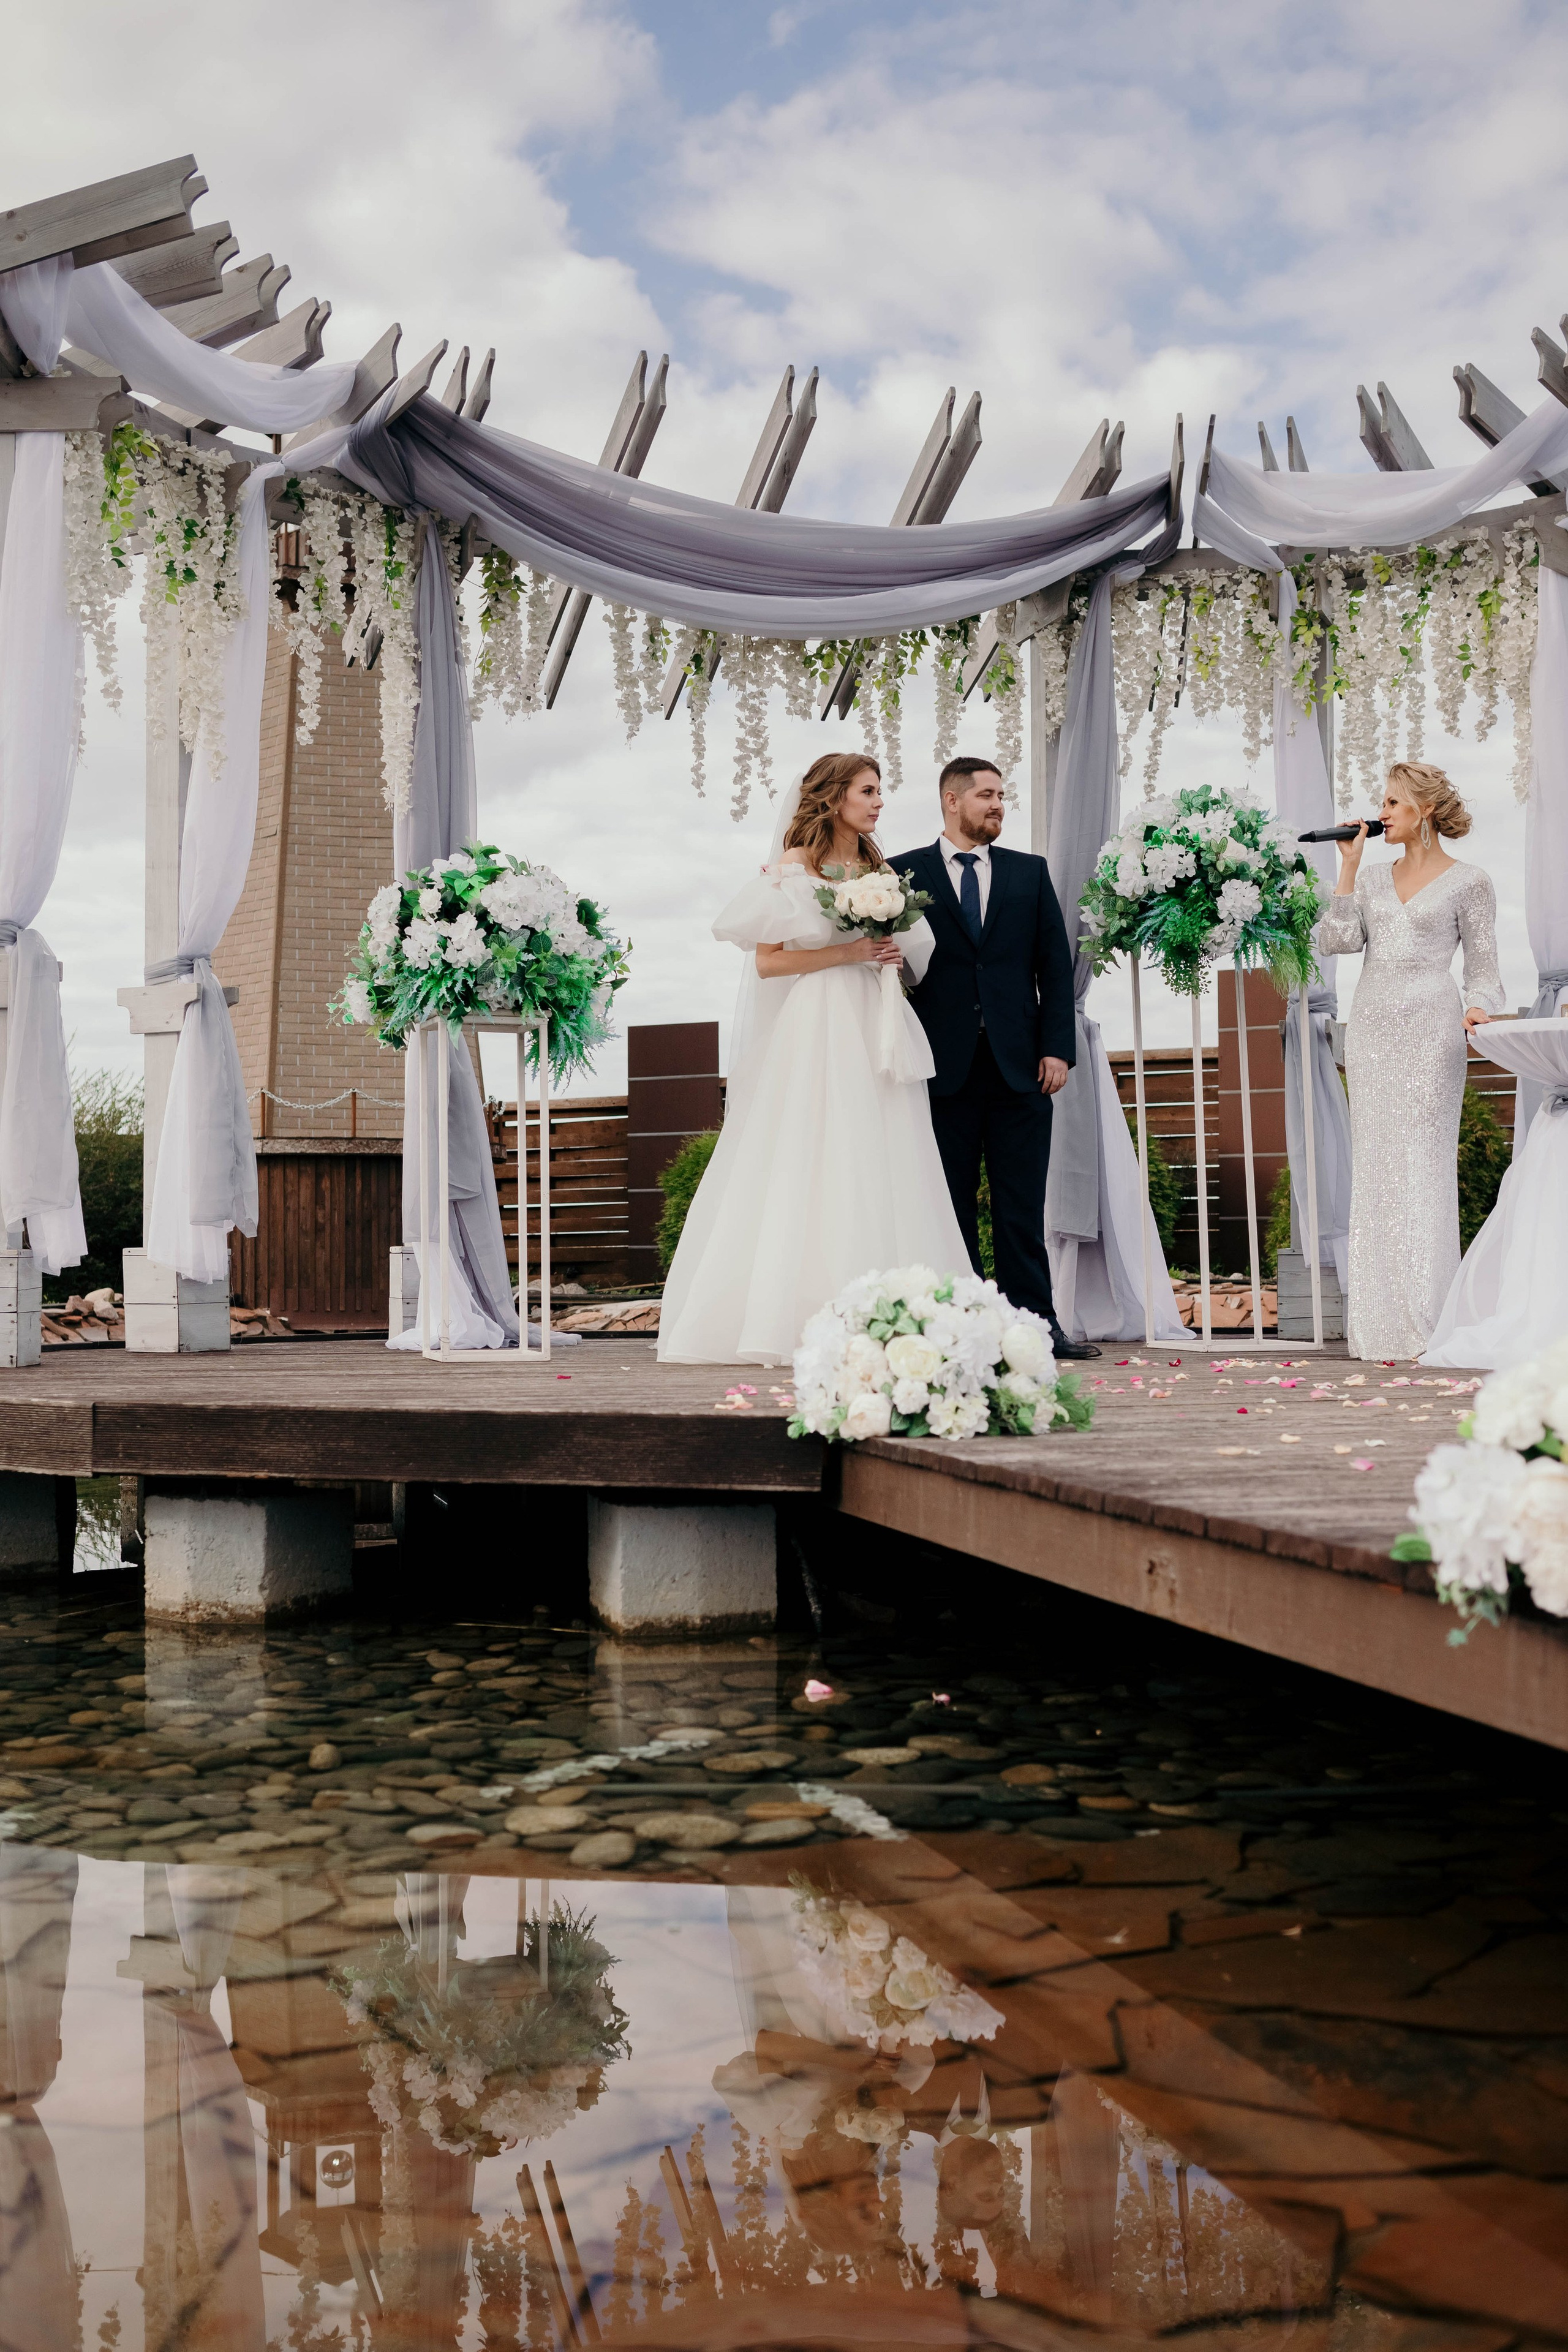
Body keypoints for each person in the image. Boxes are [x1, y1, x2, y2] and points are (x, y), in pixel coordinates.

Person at [656, 753, 971, 1365]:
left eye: (880, 791)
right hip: (821, 1020)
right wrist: (849, 953)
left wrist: (886, 954)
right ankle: (798, 1312)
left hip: (876, 1015)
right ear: (834, 797)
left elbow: (905, 951)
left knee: (887, 1150)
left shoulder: (878, 864)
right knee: (818, 1149)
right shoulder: (796, 866)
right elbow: (769, 961)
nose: (879, 802)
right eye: (868, 790)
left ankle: (895, 1310)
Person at [888, 757, 1098, 1360]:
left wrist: (1057, 1047)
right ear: (951, 801)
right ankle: (957, 1329)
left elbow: (1053, 970)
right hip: (938, 1069)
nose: (998, 805)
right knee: (946, 1206)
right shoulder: (902, 874)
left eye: (1002, 795)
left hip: (1021, 1070)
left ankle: (1036, 1327)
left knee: (1020, 1206)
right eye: (986, 795)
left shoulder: (1029, 875)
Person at [1316, 760, 1504, 1362]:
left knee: (1421, 1168)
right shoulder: (1368, 879)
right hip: (1371, 1030)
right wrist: (1346, 867)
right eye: (1383, 802)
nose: (1382, 812)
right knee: (1375, 1170)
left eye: (1392, 803)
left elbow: (1483, 968)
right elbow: (1336, 941)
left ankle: (1428, 1323)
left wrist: (1479, 1009)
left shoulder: (1469, 880)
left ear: (1423, 810)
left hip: (1430, 1033)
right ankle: (1377, 1330)